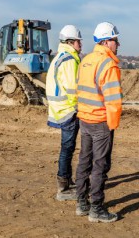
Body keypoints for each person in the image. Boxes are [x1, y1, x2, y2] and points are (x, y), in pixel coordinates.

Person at [74, 21, 123, 223]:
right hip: (101, 121)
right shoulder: (108, 64)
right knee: (100, 165)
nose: (118, 44)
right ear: (106, 41)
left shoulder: (86, 60)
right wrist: (112, 125)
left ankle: (81, 203)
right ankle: (96, 209)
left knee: (84, 160)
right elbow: (113, 100)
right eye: (115, 40)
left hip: (84, 118)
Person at [46, 24, 83, 201]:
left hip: (60, 109)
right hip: (68, 111)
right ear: (70, 42)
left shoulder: (60, 56)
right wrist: (79, 108)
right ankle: (63, 188)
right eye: (78, 41)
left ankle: (66, 180)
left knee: (67, 148)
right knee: (67, 148)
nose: (80, 44)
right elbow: (72, 89)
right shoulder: (68, 60)